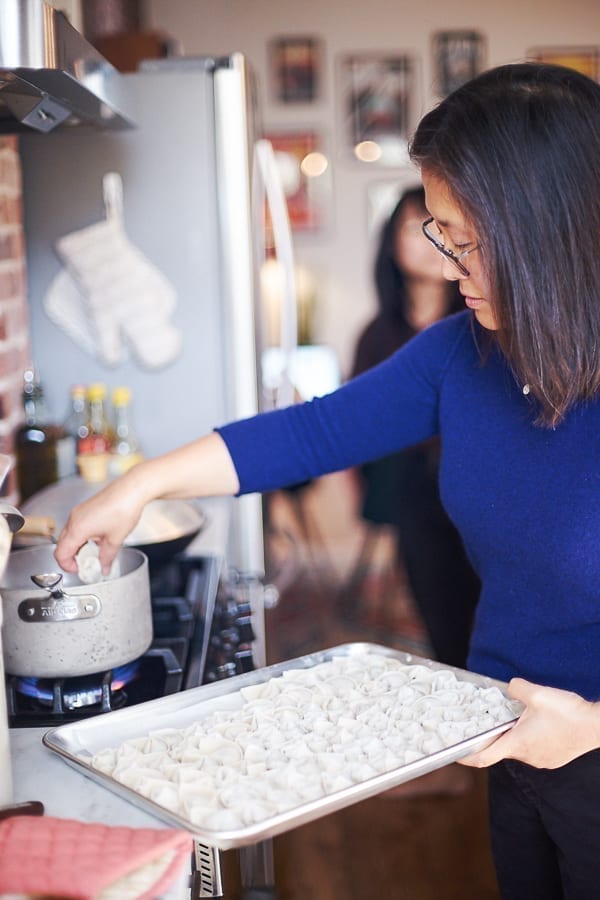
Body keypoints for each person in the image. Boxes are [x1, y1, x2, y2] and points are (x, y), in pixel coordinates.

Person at [55, 63, 600, 898]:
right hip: (512, 746)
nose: (449, 262)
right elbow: (312, 432)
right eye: (439, 233)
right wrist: (137, 486)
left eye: (466, 237)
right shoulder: (464, 353)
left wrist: (591, 729)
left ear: (546, 227)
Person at [351, 186, 480, 668]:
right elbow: (353, 422)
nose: (432, 243)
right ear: (391, 241)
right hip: (413, 489)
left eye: (445, 229)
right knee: (441, 618)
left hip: (476, 477)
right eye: (418, 228)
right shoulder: (377, 333)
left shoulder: (481, 318)